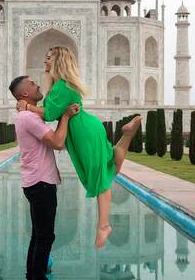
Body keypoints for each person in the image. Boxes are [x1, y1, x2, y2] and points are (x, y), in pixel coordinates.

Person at [16, 46, 142, 249]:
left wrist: (28, 106)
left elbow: (48, 114)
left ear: (57, 62)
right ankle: (126, 135)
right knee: (110, 167)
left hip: (83, 131)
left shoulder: (62, 88)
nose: (45, 61)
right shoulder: (62, 86)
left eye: (48, 58)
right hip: (88, 127)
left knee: (100, 178)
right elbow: (52, 111)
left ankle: (104, 226)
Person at [9, 75, 80, 280]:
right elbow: (57, 142)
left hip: (36, 181)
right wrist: (65, 117)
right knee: (45, 236)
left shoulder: (28, 115)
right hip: (41, 183)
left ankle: (32, 275)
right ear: (24, 94)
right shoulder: (28, 118)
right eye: (32, 84)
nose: (38, 84)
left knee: (38, 235)